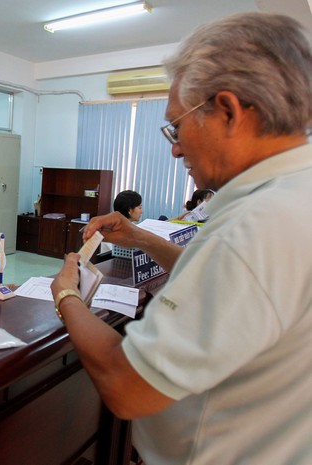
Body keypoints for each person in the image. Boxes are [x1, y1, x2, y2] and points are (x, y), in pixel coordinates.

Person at [51, 12, 312, 465]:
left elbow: (126, 385)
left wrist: (68, 295)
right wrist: (142, 239)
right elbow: (232, 288)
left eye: (178, 125)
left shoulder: (252, 227)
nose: (173, 147)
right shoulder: (295, 194)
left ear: (228, 112)